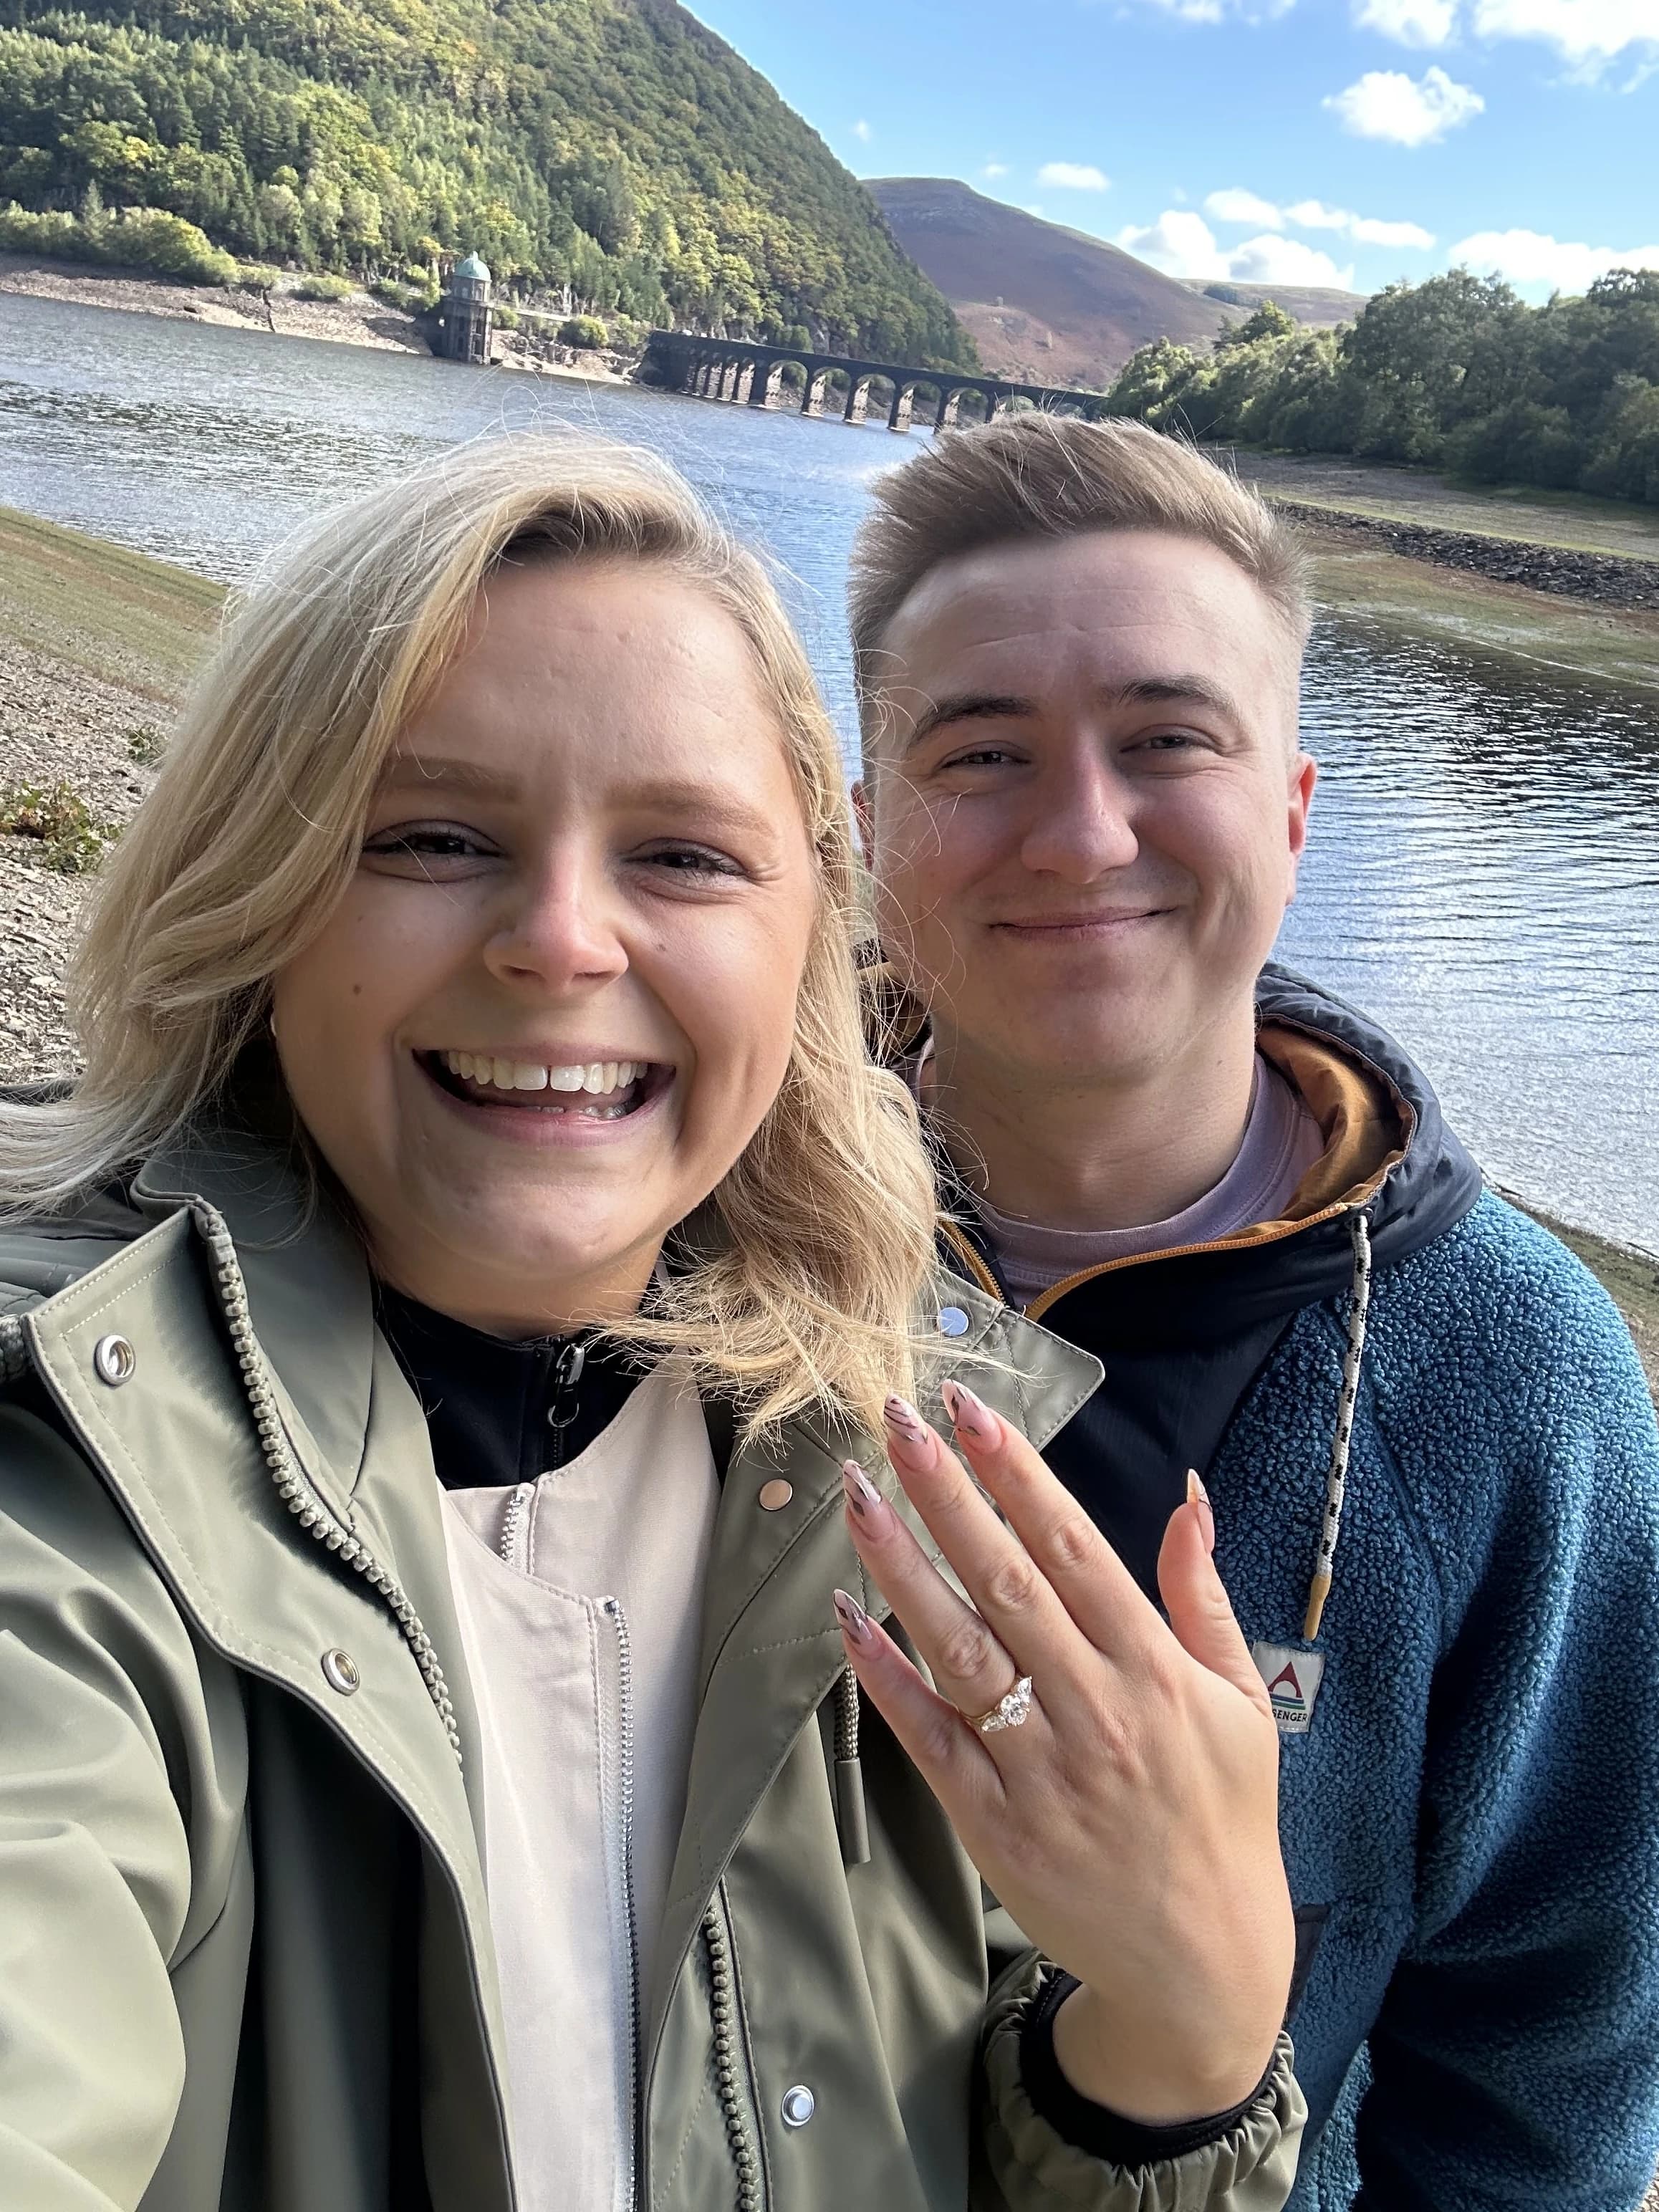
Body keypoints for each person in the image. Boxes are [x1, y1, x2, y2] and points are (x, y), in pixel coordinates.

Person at [0, 434, 1307, 2211]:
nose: (558, 939)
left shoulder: (914, 1485)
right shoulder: (70, 1475)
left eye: (684, 855)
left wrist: (1187, 2039)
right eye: (433, 835)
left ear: (816, 933)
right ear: (262, 892)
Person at [849, 413, 1659, 2212]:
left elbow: (1541, 2117)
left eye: (1167, 740)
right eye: (981, 751)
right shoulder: (681, 1226)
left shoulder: (1532, 1390)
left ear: (1292, 812)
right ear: (866, 827)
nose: (1080, 831)